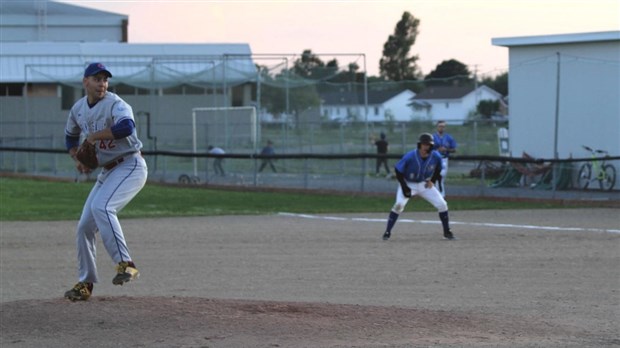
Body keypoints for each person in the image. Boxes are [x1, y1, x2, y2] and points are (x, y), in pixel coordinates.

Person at [63, 62, 148, 301]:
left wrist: (92, 137)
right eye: (97, 78)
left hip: (130, 165)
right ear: (85, 82)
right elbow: (69, 137)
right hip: (107, 172)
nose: (102, 83)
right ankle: (85, 283)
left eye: (105, 79)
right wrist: (76, 159)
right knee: (84, 228)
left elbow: (126, 128)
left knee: (103, 207)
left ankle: (126, 264)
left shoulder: (116, 104)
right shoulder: (78, 109)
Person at [382, 133, 455, 241]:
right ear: (419, 145)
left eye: (429, 144)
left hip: (424, 184)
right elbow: (398, 170)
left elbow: (439, 168)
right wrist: (404, 187)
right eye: (424, 144)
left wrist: (433, 180)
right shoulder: (410, 156)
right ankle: (387, 232)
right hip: (408, 183)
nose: (426, 146)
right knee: (399, 205)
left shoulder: (435, 156)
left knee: (442, 204)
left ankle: (447, 232)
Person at [432, 120, 457, 197]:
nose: (441, 128)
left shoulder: (449, 137)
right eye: (440, 126)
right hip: (435, 159)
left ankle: (440, 195)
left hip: (444, 159)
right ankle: (440, 195)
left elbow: (454, 149)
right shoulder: (433, 137)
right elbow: (428, 149)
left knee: (442, 177)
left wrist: (446, 149)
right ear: (437, 127)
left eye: (443, 126)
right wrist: (437, 149)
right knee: (437, 177)